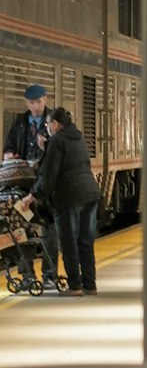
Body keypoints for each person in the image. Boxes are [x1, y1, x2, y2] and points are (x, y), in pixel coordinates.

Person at [30, 106, 101, 295]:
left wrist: (33, 195)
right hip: (90, 194)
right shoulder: (77, 138)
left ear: (55, 124)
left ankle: (75, 286)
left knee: (68, 242)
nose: (47, 128)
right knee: (85, 241)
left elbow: (48, 173)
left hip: (68, 196)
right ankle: (90, 284)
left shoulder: (58, 140)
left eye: (48, 124)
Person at [2, 82, 59, 285]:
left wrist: (47, 146)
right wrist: (9, 153)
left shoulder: (55, 120)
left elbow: (62, 148)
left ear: (46, 99)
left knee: (49, 229)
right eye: (32, 102)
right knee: (21, 228)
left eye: (39, 101)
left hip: (45, 187)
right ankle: (27, 275)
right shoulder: (19, 122)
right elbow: (9, 144)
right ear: (26, 102)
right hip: (23, 187)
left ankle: (50, 275)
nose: (35, 106)